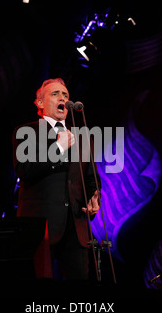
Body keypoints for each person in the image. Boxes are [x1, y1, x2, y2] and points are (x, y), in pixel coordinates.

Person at [12, 78, 100, 280]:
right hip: (39, 228)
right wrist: (58, 148)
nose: (63, 98)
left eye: (66, 95)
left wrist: (93, 197)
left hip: (76, 227)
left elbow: (91, 177)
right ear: (40, 103)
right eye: (55, 94)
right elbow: (24, 170)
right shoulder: (27, 132)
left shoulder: (82, 137)